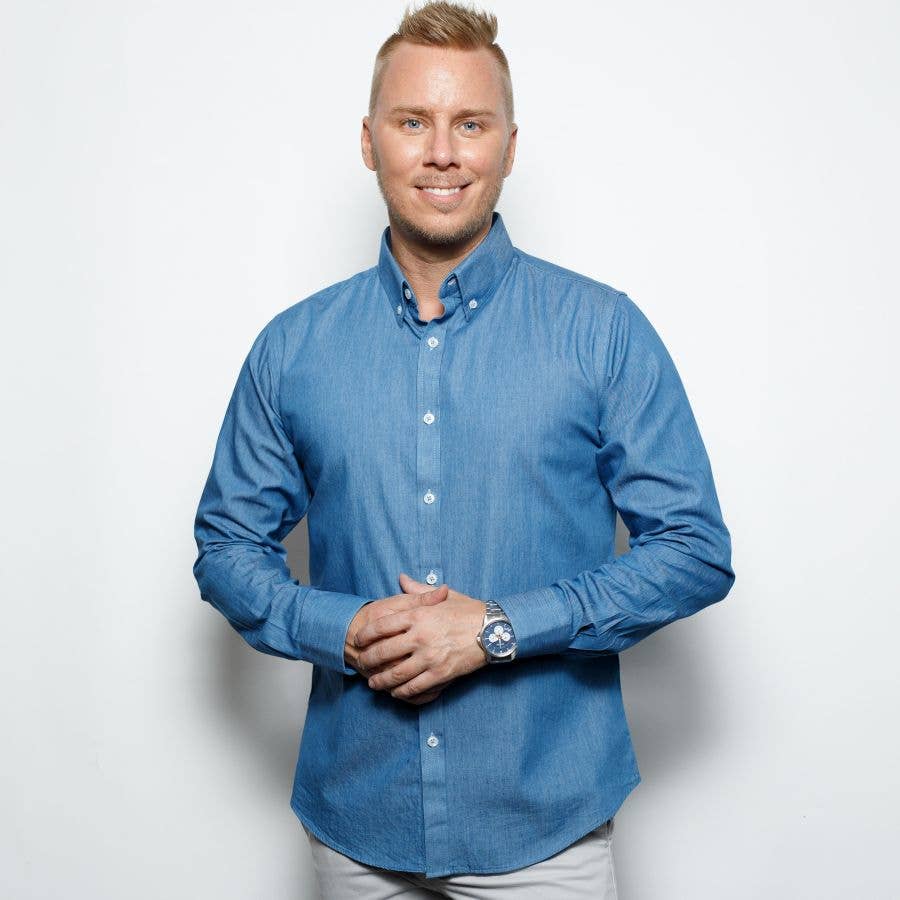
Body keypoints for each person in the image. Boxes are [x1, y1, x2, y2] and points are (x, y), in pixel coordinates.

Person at [191, 1, 736, 897]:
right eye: (413, 122)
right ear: (369, 141)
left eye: (470, 124)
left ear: (509, 148)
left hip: (546, 828)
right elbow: (225, 547)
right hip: (357, 823)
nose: (442, 152)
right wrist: (343, 631)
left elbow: (693, 550)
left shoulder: (602, 332)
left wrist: (498, 630)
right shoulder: (293, 349)